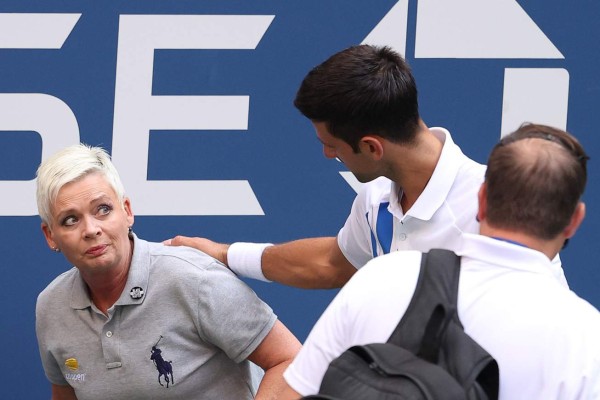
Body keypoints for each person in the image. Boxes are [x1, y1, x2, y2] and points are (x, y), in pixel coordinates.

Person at [165, 44, 567, 288]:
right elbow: (331, 263)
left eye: (332, 146)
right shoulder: (376, 199)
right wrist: (221, 254)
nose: (327, 155)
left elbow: (546, 333)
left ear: (372, 147)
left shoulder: (498, 208)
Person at [279, 123, 600, 399]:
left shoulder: (380, 277)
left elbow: (294, 392)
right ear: (574, 221)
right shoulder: (587, 339)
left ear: (482, 199)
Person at [34, 144, 301, 400]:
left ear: (127, 211)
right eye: (71, 219)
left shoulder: (195, 280)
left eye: (103, 209)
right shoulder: (51, 306)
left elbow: (292, 361)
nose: (91, 229)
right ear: (50, 236)